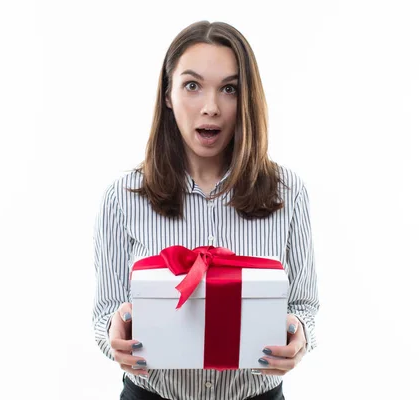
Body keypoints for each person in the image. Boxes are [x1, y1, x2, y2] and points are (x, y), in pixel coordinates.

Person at [92, 20, 319, 400]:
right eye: (192, 86)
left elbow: (304, 305)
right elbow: (106, 314)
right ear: (168, 94)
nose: (211, 108)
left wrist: (299, 333)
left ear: (245, 99)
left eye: (229, 89)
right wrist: (113, 333)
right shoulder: (123, 196)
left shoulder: (288, 192)